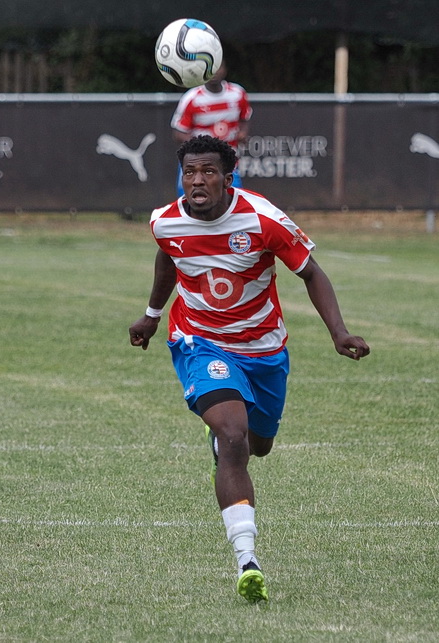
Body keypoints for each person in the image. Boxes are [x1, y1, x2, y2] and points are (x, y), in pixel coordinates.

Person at [128, 135, 369, 603]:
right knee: (235, 435)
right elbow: (169, 260)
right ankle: (247, 559)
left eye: (209, 172)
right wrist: (153, 315)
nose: (197, 181)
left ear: (228, 178)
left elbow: (312, 273)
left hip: (264, 348)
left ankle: (224, 436)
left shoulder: (263, 219)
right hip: (200, 341)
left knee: (260, 445)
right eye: (190, 172)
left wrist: (339, 332)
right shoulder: (164, 221)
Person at [170, 61, 252, 196]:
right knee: (190, 202)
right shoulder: (192, 98)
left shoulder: (238, 93)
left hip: (228, 161)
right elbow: (178, 133)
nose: (214, 72)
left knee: (233, 200)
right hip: (199, 163)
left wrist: (243, 133)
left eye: (218, 67)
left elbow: (244, 119)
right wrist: (205, 144)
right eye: (209, 68)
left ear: (225, 69)